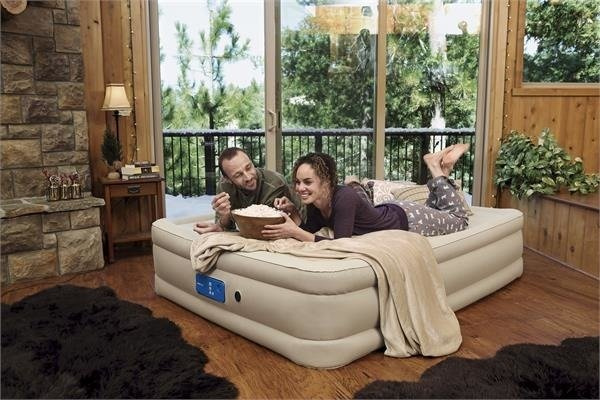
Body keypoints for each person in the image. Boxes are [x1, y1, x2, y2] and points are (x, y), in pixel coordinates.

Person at [262, 144, 471, 241]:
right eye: (297, 182)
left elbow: (342, 245)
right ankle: (444, 170)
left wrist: (295, 233)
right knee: (437, 209)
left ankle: (434, 166)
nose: (300, 188)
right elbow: (309, 230)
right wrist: (293, 212)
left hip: (409, 220)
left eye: (307, 182)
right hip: (391, 209)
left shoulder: (344, 197)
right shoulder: (316, 202)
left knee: (459, 219)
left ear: (326, 182)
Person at [194, 147, 302, 234]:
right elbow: (225, 226)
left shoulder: (275, 183)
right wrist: (224, 217)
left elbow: (264, 229)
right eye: (238, 175)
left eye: (248, 167)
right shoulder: (224, 186)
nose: (248, 177)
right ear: (228, 179)